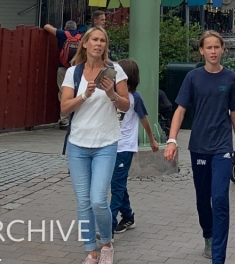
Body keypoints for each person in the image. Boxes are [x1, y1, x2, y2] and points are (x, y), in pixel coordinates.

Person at [164, 31, 235, 263]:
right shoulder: (193, 77)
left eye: (216, 47)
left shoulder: (231, 79)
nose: (212, 51)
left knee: (219, 199)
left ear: (222, 50)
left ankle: (218, 257)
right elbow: (180, 110)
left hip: (222, 147)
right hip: (199, 146)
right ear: (201, 50)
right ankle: (208, 234)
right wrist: (172, 140)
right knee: (203, 199)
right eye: (208, 47)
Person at [61, 26, 131, 264]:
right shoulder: (74, 73)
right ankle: (91, 250)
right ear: (85, 44)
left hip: (106, 143)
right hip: (78, 144)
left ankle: (107, 244)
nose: (98, 44)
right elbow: (64, 108)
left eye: (102, 40)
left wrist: (111, 94)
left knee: (98, 200)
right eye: (94, 40)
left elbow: (126, 106)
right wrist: (84, 95)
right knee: (83, 202)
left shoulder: (115, 71)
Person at [110, 59, 159, 234]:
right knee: (118, 184)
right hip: (109, 146)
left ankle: (109, 223)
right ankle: (128, 216)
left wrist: (152, 140)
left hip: (125, 148)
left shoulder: (135, 98)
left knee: (116, 185)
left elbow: (144, 119)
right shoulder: (112, 95)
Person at [44, 19, 83, 128]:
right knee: (78, 91)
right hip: (77, 68)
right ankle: (76, 118)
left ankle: (64, 120)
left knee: (63, 92)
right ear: (75, 28)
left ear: (66, 28)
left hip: (63, 68)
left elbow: (46, 26)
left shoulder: (62, 34)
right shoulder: (81, 36)